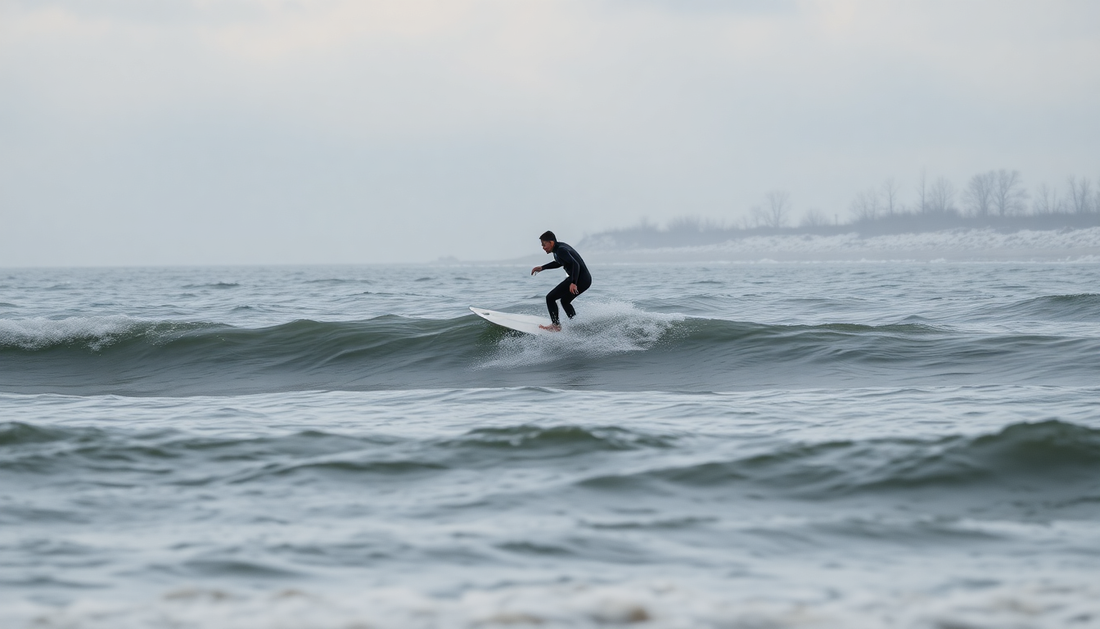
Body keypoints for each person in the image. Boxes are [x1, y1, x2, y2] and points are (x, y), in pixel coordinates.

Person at [530, 231, 592, 331]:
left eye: (544, 245)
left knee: (550, 298)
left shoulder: (561, 250)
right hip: (584, 279)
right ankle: (576, 326)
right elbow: (559, 262)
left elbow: (575, 264)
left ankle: (555, 326)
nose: (543, 247)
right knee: (565, 301)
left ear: (551, 242)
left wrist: (573, 283)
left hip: (580, 279)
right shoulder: (558, 250)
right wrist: (542, 268)